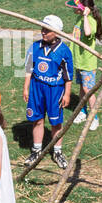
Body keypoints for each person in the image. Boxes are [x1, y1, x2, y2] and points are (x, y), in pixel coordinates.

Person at [23, 14, 75, 169]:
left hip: (55, 91)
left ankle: (57, 152)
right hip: (37, 88)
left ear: (57, 33)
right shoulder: (35, 47)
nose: (43, 32)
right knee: (37, 119)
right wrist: (26, 87)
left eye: (47, 30)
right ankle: (36, 150)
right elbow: (28, 69)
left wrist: (66, 94)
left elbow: (68, 76)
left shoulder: (64, 51)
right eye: (42, 28)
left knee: (56, 122)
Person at [69, 0, 102, 131]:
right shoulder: (79, 18)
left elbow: (88, 33)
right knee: (82, 88)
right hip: (78, 60)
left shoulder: (90, 21)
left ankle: (94, 118)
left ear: (84, 9)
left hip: (87, 62)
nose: (73, 9)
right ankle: (82, 112)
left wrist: (85, 16)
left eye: (76, 7)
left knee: (88, 90)